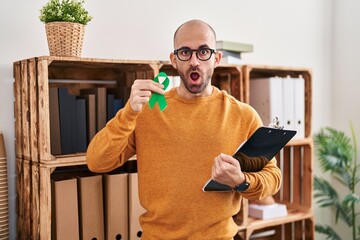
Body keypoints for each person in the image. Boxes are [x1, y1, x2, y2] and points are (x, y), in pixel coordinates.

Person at [87, 19, 282, 240]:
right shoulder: (148, 110)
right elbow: (97, 161)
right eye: (185, 52)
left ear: (216, 59)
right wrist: (129, 112)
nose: (194, 61)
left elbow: (273, 178)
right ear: (174, 60)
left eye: (203, 52)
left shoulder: (243, 115)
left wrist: (240, 181)